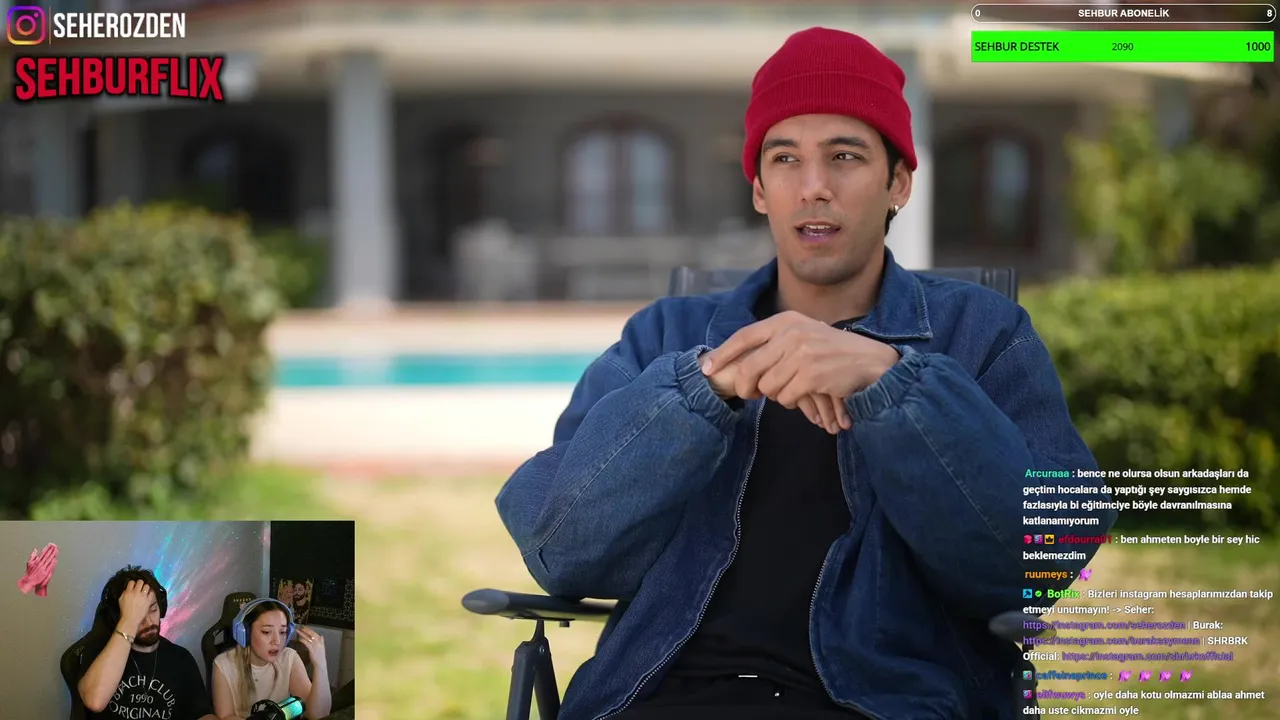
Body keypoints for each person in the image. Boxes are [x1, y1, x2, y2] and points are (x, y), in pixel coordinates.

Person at [495, 27, 1119, 720]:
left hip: (886, 704)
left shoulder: (982, 333)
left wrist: (897, 383)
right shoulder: (667, 336)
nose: (813, 187)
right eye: (785, 158)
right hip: (662, 697)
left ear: (899, 183)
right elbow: (561, 551)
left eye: (845, 156)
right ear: (760, 190)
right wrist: (701, 390)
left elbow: (1041, 561)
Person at [77, 566, 217, 720]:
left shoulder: (181, 658)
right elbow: (95, 701)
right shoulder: (100, 650)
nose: (149, 622)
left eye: (153, 609)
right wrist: (129, 621)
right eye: (139, 615)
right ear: (117, 618)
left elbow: (202, 714)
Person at [211, 597, 332, 719]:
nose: (277, 641)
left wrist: (320, 665)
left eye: (282, 632)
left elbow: (318, 715)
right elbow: (226, 716)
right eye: (266, 632)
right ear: (245, 633)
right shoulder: (224, 664)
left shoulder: (289, 658)